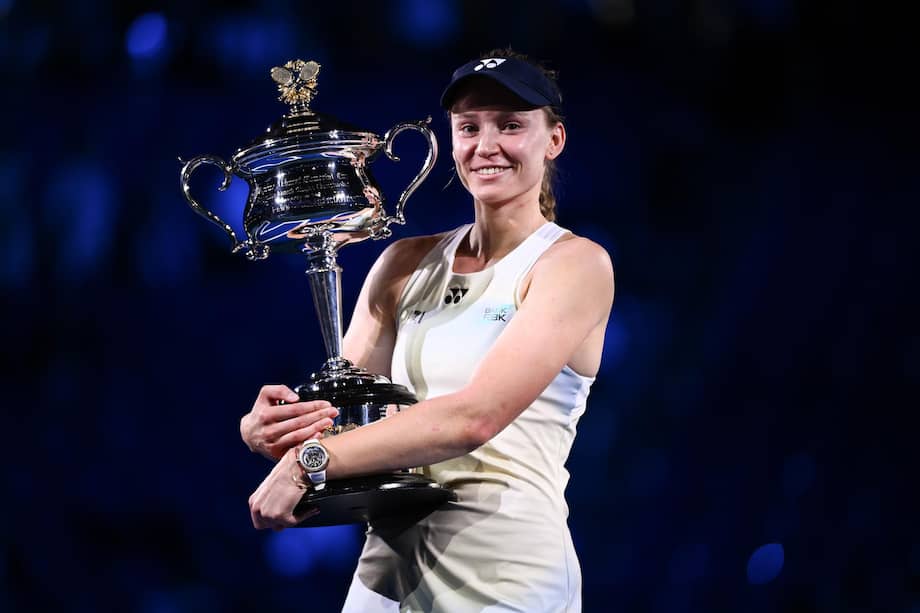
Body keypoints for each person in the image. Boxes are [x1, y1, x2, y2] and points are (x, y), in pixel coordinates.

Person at [242, 49, 615, 612]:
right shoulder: (402, 262)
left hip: (506, 579)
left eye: (510, 125)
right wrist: (278, 431)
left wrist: (308, 462)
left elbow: (475, 417)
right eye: (469, 127)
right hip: (387, 578)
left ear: (554, 140)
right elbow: (350, 428)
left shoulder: (574, 265)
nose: (486, 146)